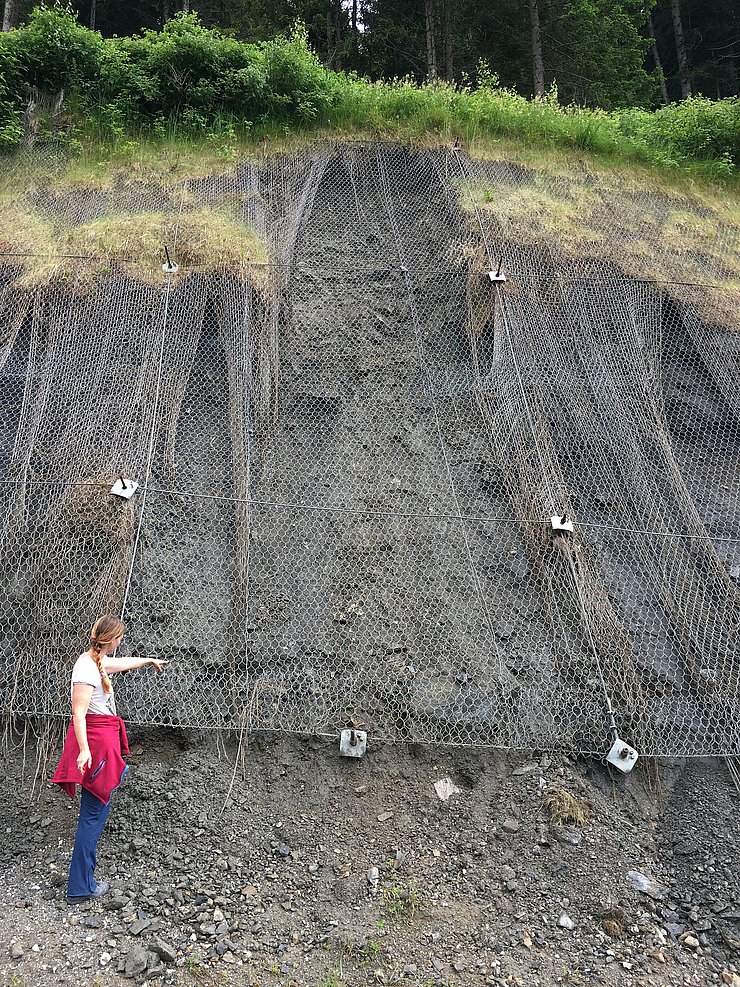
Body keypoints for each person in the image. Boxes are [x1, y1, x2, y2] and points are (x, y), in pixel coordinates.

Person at [52, 614, 167, 904]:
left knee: (95, 814)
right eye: (119, 639)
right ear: (111, 640)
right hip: (95, 746)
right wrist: (85, 750)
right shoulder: (86, 669)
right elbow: (78, 713)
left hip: (102, 743)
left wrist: (147, 660)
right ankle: (80, 887)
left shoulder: (95, 661)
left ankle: (83, 882)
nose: (120, 643)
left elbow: (118, 663)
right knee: (92, 818)